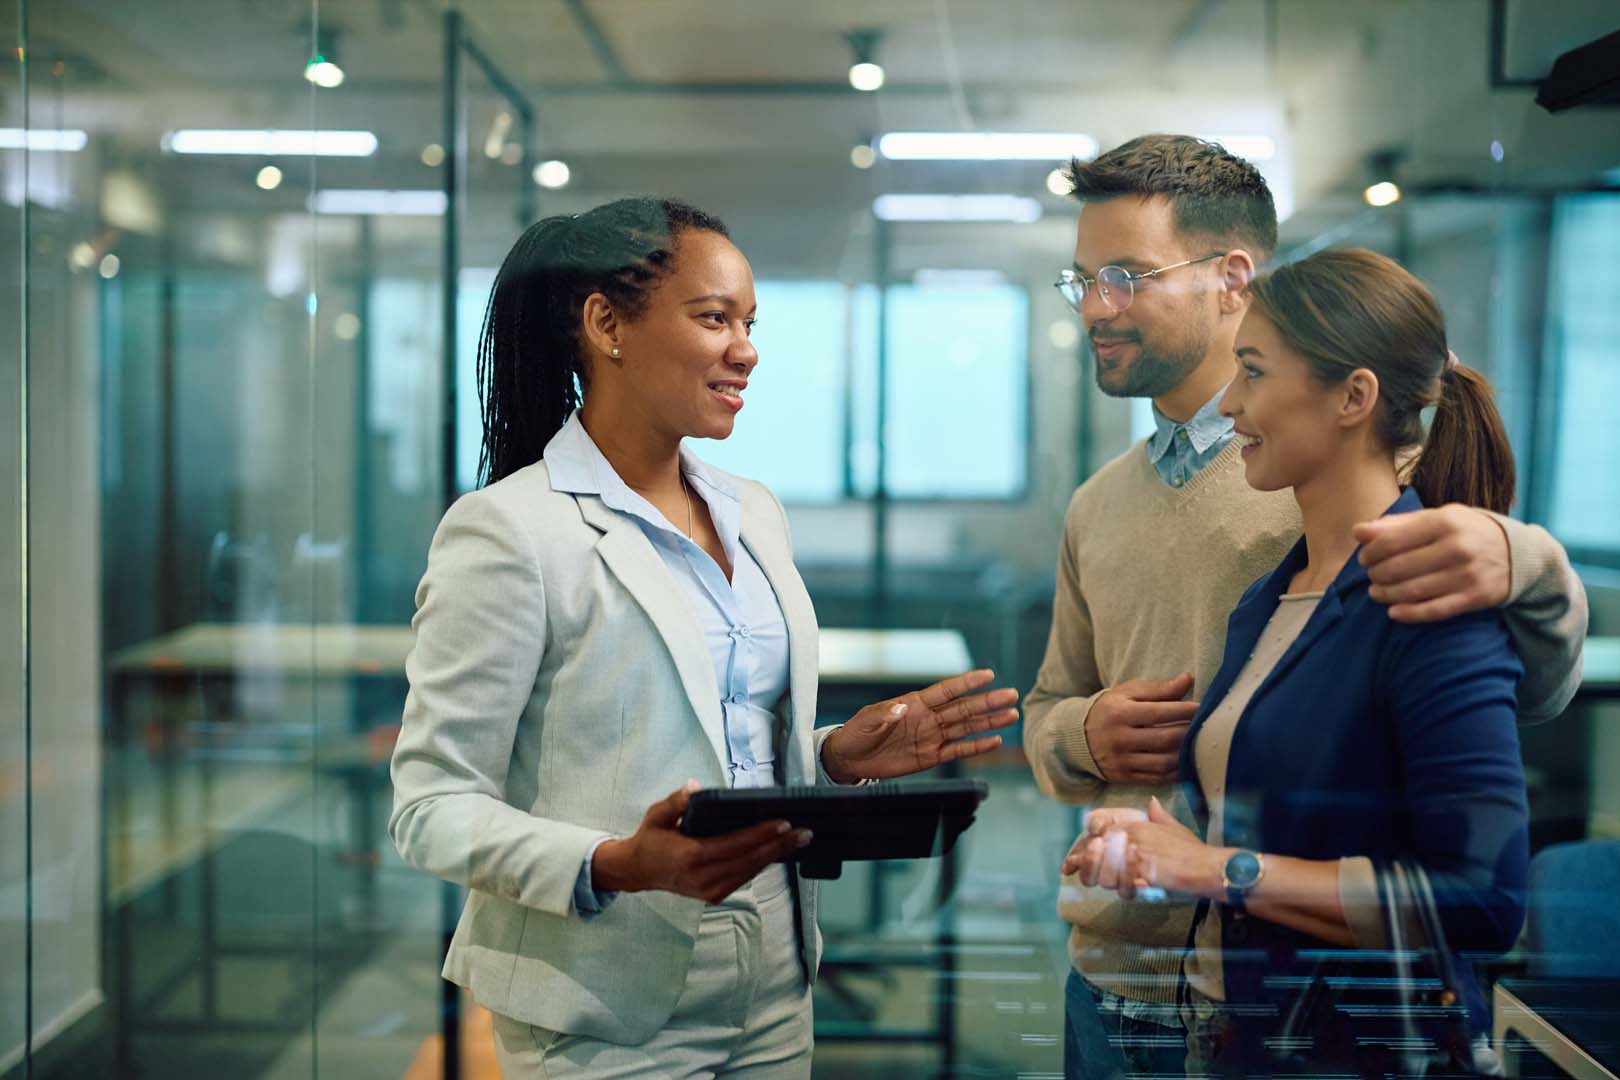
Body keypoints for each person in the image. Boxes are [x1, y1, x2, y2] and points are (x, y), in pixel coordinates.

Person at [388, 197, 1018, 1079]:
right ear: (607, 325)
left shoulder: (753, 510)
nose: (746, 348)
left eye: (750, 322)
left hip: (775, 971)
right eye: (714, 318)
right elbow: (430, 808)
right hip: (602, 993)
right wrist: (616, 863)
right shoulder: (509, 531)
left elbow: (728, 748)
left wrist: (833, 759)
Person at [1022, 135, 1586, 1080]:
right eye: (1081, 281)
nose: (1097, 309)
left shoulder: (1347, 475)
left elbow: (1526, 689)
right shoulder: (1105, 509)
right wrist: (1086, 735)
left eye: (1124, 275)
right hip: (1120, 978)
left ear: (1231, 276)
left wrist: (1522, 553)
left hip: (1300, 1000)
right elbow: (1047, 716)